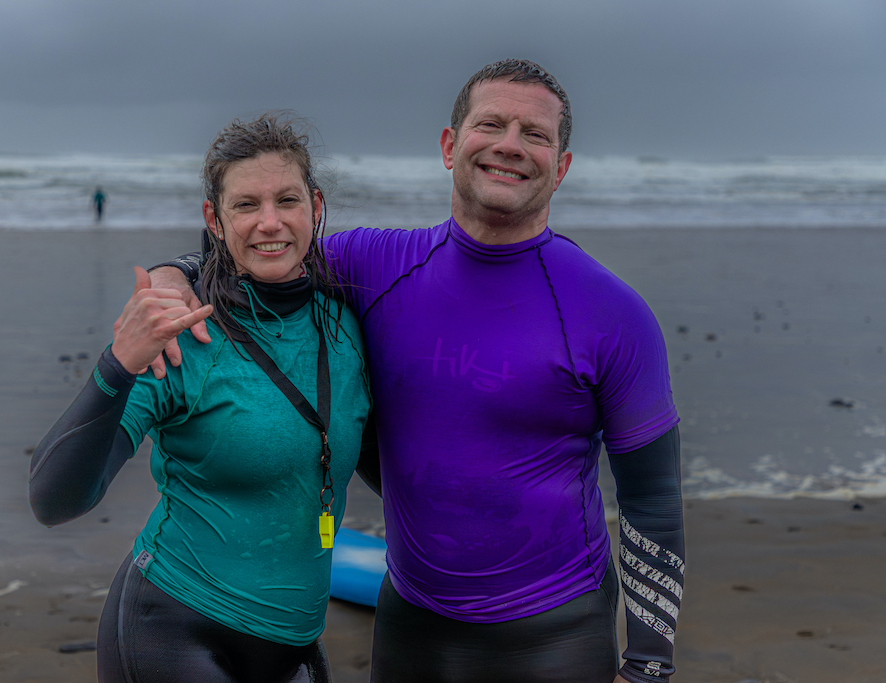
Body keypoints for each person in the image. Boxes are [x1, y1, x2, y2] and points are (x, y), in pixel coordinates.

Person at [149, 60, 684, 683]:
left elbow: (653, 504)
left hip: (554, 635)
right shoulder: (374, 266)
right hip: (411, 625)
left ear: (560, 166)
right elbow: (262, 247)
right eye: (491, 124)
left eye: (534, 134)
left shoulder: (611, 313)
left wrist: (648, 666)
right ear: (450, 145)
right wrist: (173, 273)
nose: (510, 145)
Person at [30, 114, 376, 683]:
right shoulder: (183, 337)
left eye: (286, 199)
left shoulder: (347, 324)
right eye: (245, 205)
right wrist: (118, 365)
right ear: (214, 219)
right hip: (173, 628)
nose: (270, 222)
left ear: (315, 205)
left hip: (295, 644)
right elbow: (54, 499)